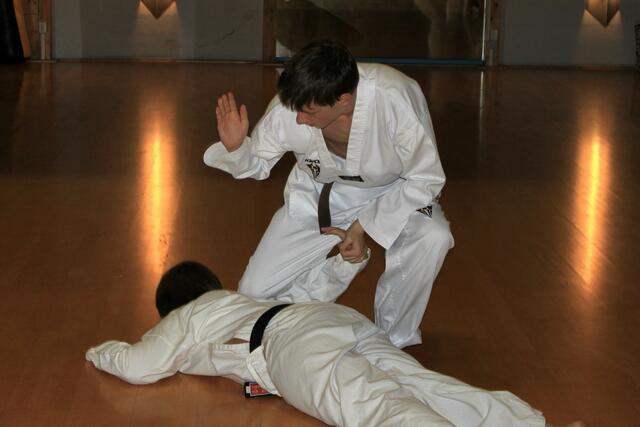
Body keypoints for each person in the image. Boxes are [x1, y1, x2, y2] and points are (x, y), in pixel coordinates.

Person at [86, 259, 584, 427]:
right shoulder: (237, 300)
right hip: (334, 320)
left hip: (287, 345)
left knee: (372, 405)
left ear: (172, 307)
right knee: (423, 384)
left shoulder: (187, 316)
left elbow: (139, 365)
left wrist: (96, 351)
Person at [203, 40, 454, 348]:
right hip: (321, 196)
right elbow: (257, 162)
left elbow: (425, 177)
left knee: (433, 235)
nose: (299, 118)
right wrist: (237, 148)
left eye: (309, 112)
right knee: (254, 294)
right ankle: (338, 273)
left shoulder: (394, 97)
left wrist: (363, 226)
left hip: (396, 192)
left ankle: (392, 338)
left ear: (343, 99)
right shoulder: (293, 103)